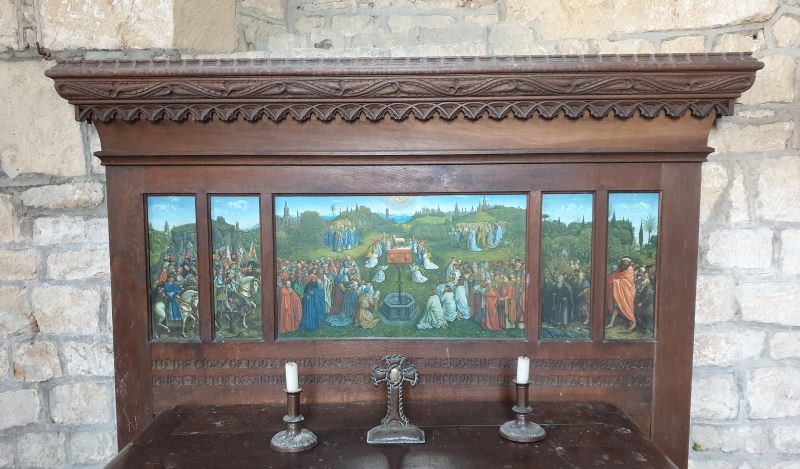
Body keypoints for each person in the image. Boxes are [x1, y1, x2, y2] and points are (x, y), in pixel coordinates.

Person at [606, 257, 636, 330]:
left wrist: (615, 282)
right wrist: (612, 280)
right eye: (623, 262)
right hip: (620, 292)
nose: (624, 264)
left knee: (628, 308)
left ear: (628, 263)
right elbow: (616, 276)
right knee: (616, 307)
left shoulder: (630, 270)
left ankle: (634, 322)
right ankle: (611, 323)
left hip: (628, 292)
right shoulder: (620, 269)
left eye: (626, 262)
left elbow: (628, 282)